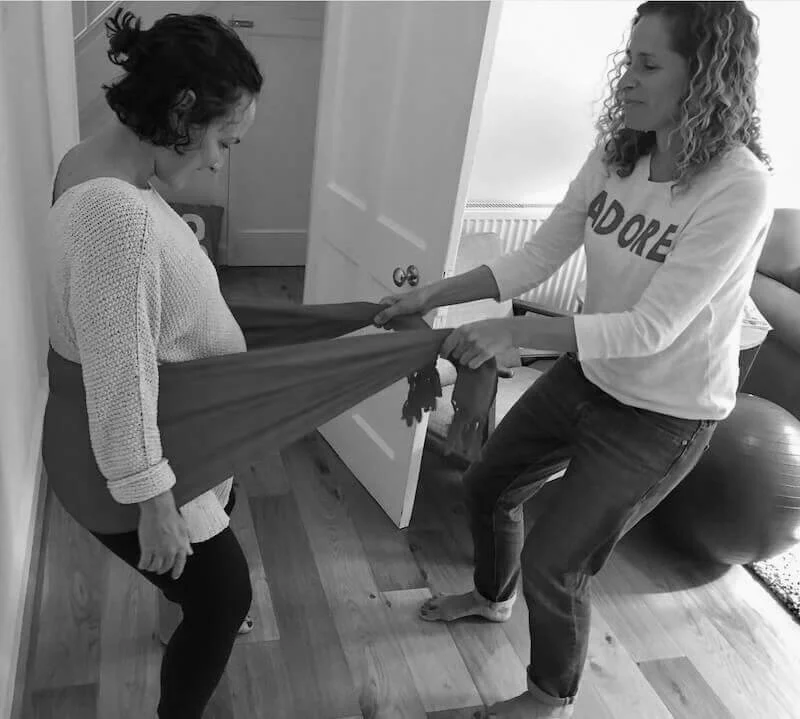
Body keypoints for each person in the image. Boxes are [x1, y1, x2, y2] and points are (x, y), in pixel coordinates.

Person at [374, 2, 772, 717]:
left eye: (648, 65)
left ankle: (549, 697)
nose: (627, 79)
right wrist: (435, 292)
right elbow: (535, 257)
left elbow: (652, 328)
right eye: (630, 59)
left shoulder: (739, 187)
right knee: (490, 482)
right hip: (592, 372)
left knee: (559, 562)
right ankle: (492, 598)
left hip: (665, 413)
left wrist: (516, 337)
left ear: (707, 74)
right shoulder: (621, 151)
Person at [45, 9, 262, 718]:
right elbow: (118, 368)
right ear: (181, 111)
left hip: (180, 419)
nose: (216, 161)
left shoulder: (88, 161)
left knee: (208, 577)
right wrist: (152, 500)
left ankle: (180, 613)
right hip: (136, 442)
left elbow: (132, 319)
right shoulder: (117, 214)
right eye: (220, 139)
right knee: (225, 594)